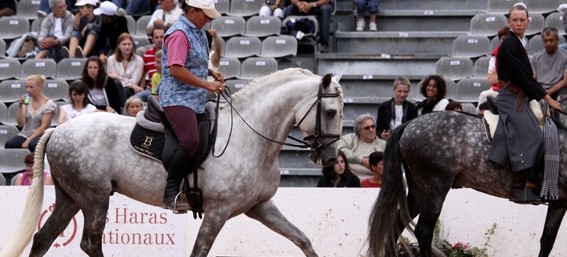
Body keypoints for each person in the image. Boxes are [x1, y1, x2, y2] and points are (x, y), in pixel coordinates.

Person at [487, 3, 563, 204]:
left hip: (521, 96)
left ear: (528, 21)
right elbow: (523, 77)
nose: (519, 23)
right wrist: (547, 99)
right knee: (536, 137)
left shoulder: (519, 42)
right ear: (509, 22)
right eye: (515, 20)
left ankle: (535, 181)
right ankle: (518, 188)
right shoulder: (510, 44)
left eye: (522, 20)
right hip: (510, 98)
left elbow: (527, 77)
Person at [158, 0, 223, 211]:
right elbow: (176, 69)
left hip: (194, 96)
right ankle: (170, 190)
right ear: (192, 11)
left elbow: (193, 63)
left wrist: (210, 72)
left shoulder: (198, 32)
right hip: (177, 97)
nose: (208, 19)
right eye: (205, 14)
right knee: (191, 140)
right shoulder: (179, 33)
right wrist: (207, 84)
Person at [5, 75, 57, 152]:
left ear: (40, 87)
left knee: (33, 145)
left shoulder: (49, 104)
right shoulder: (27, 101)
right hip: (25, 134)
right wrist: (20, 106)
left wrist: (28, 141)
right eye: (27, 87)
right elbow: (20, 124)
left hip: (40, 135)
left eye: (31, 87)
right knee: (10, 144)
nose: (28, 90)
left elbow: (43, 127)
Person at [337, 113, 386, 180]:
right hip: (350, 182)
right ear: (358, 131)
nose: (371, 130)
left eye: (373, 126)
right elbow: (340, 151)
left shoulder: (384, 145)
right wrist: (361, 160)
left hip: (375, 183)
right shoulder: (348, 140)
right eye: (367, 128)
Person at [477, 26, 510, 112]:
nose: (505, 41)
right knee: (483, 95)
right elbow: (491, 79)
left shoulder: (519, 52)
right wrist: (509, 77)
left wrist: (498, 76)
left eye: (507, 38)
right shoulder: (495, 55)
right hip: (497, 90)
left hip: (514, 91)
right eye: (502, 39)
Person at [531, 27, 567, 100]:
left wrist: (549, 92)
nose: (548, 43)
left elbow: (566, 80)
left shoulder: (565, 56)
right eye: (545, 41)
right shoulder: (536, 58)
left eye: (551, 40)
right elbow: (533, 78)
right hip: (541, 89)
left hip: (558, 89)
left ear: (557, 40)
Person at [106, 32, 144, 99]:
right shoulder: (111, 59)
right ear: (119, 45)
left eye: (129, 44)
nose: (127, 47)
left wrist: (118, 77)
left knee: (125, 91)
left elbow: (134, 81)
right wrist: (131, 85)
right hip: (116, 89)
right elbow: (114, 81)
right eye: (124, 44)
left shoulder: (139, 60)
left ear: (132, 45)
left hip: (131, 90)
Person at [137, 25, 165, 101]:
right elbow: (143, 74)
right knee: (135, 99)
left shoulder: (172, 54)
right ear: (152, 39)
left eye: (162, 37)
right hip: (151, 89)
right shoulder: (147, 54)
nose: (159, 40)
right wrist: (141, 88)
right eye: (156, 37)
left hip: (167, 89)